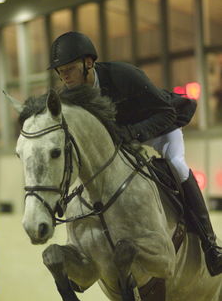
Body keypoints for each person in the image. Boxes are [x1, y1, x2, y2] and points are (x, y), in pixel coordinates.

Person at [48, 31, 222, 277]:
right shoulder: (70, 97)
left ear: (88, 63)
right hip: (121, 139)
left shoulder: (124, 75)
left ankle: (210, 244)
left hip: (158, 126)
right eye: (60, 71)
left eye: (70, 68)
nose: (64, 76)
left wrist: (132, 133)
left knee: (177, 164)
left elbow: (166, 113)